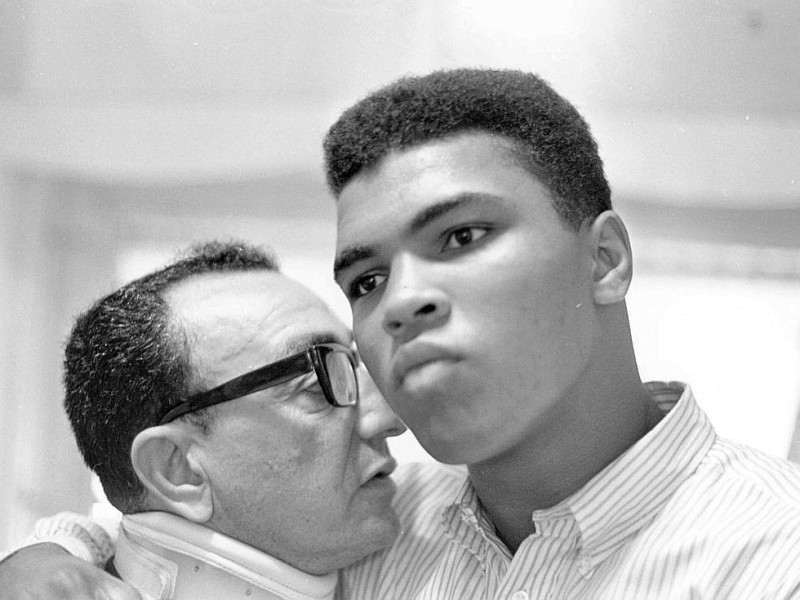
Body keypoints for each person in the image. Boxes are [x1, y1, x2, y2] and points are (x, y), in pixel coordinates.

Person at [5, 68, 800, 598]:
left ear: (604, 259)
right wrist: (53, 554)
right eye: (366, 280)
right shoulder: (379, 524)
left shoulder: (768, 558)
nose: (400, 302)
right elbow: (164, 523)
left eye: (461, 237)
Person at [0, 240, 409, 599]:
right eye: (318, 384)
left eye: (356, 364)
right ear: (178, 470)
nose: (388, 418)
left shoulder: (430, 510)